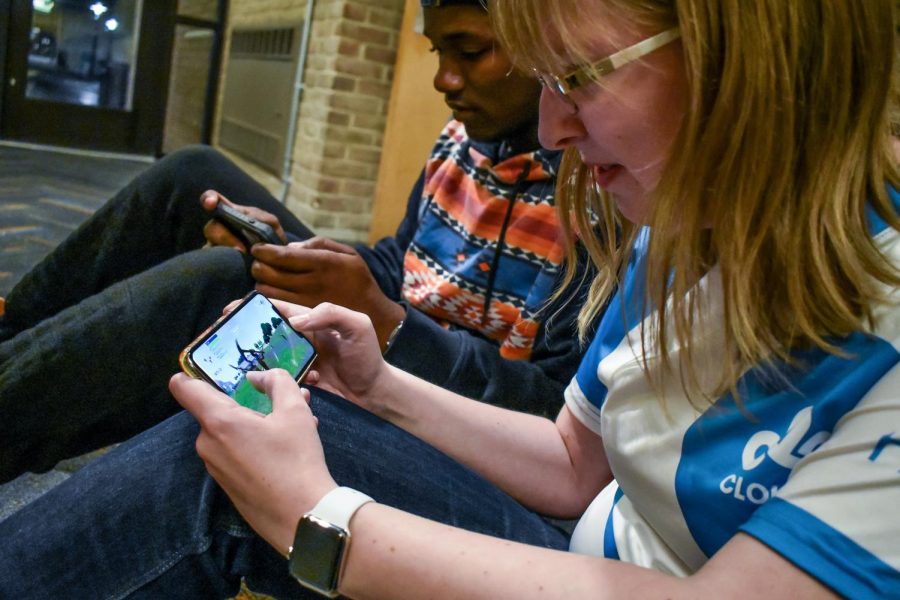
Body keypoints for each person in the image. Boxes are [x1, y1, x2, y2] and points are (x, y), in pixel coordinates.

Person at [2, 0, 898, 597]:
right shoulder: (683, 213)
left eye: (580, 76)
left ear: (743, 55)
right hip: (589, 542)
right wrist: (378, 380)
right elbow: (573, 457)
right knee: (231, 351)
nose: (552, 126)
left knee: (218, 467)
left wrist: (322, 516)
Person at [0, 0, 588, 483]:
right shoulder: (463, 136)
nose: (443, 78)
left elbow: (547, 410)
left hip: (445, 399)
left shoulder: (598, 192)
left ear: (549, 43)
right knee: (193, 175)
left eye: (472, 51)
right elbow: (403, 262)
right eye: (438, 51)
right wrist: (307, 258)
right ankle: (14, 331)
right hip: (395, 328)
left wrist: (386, 323)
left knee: (232, 289)